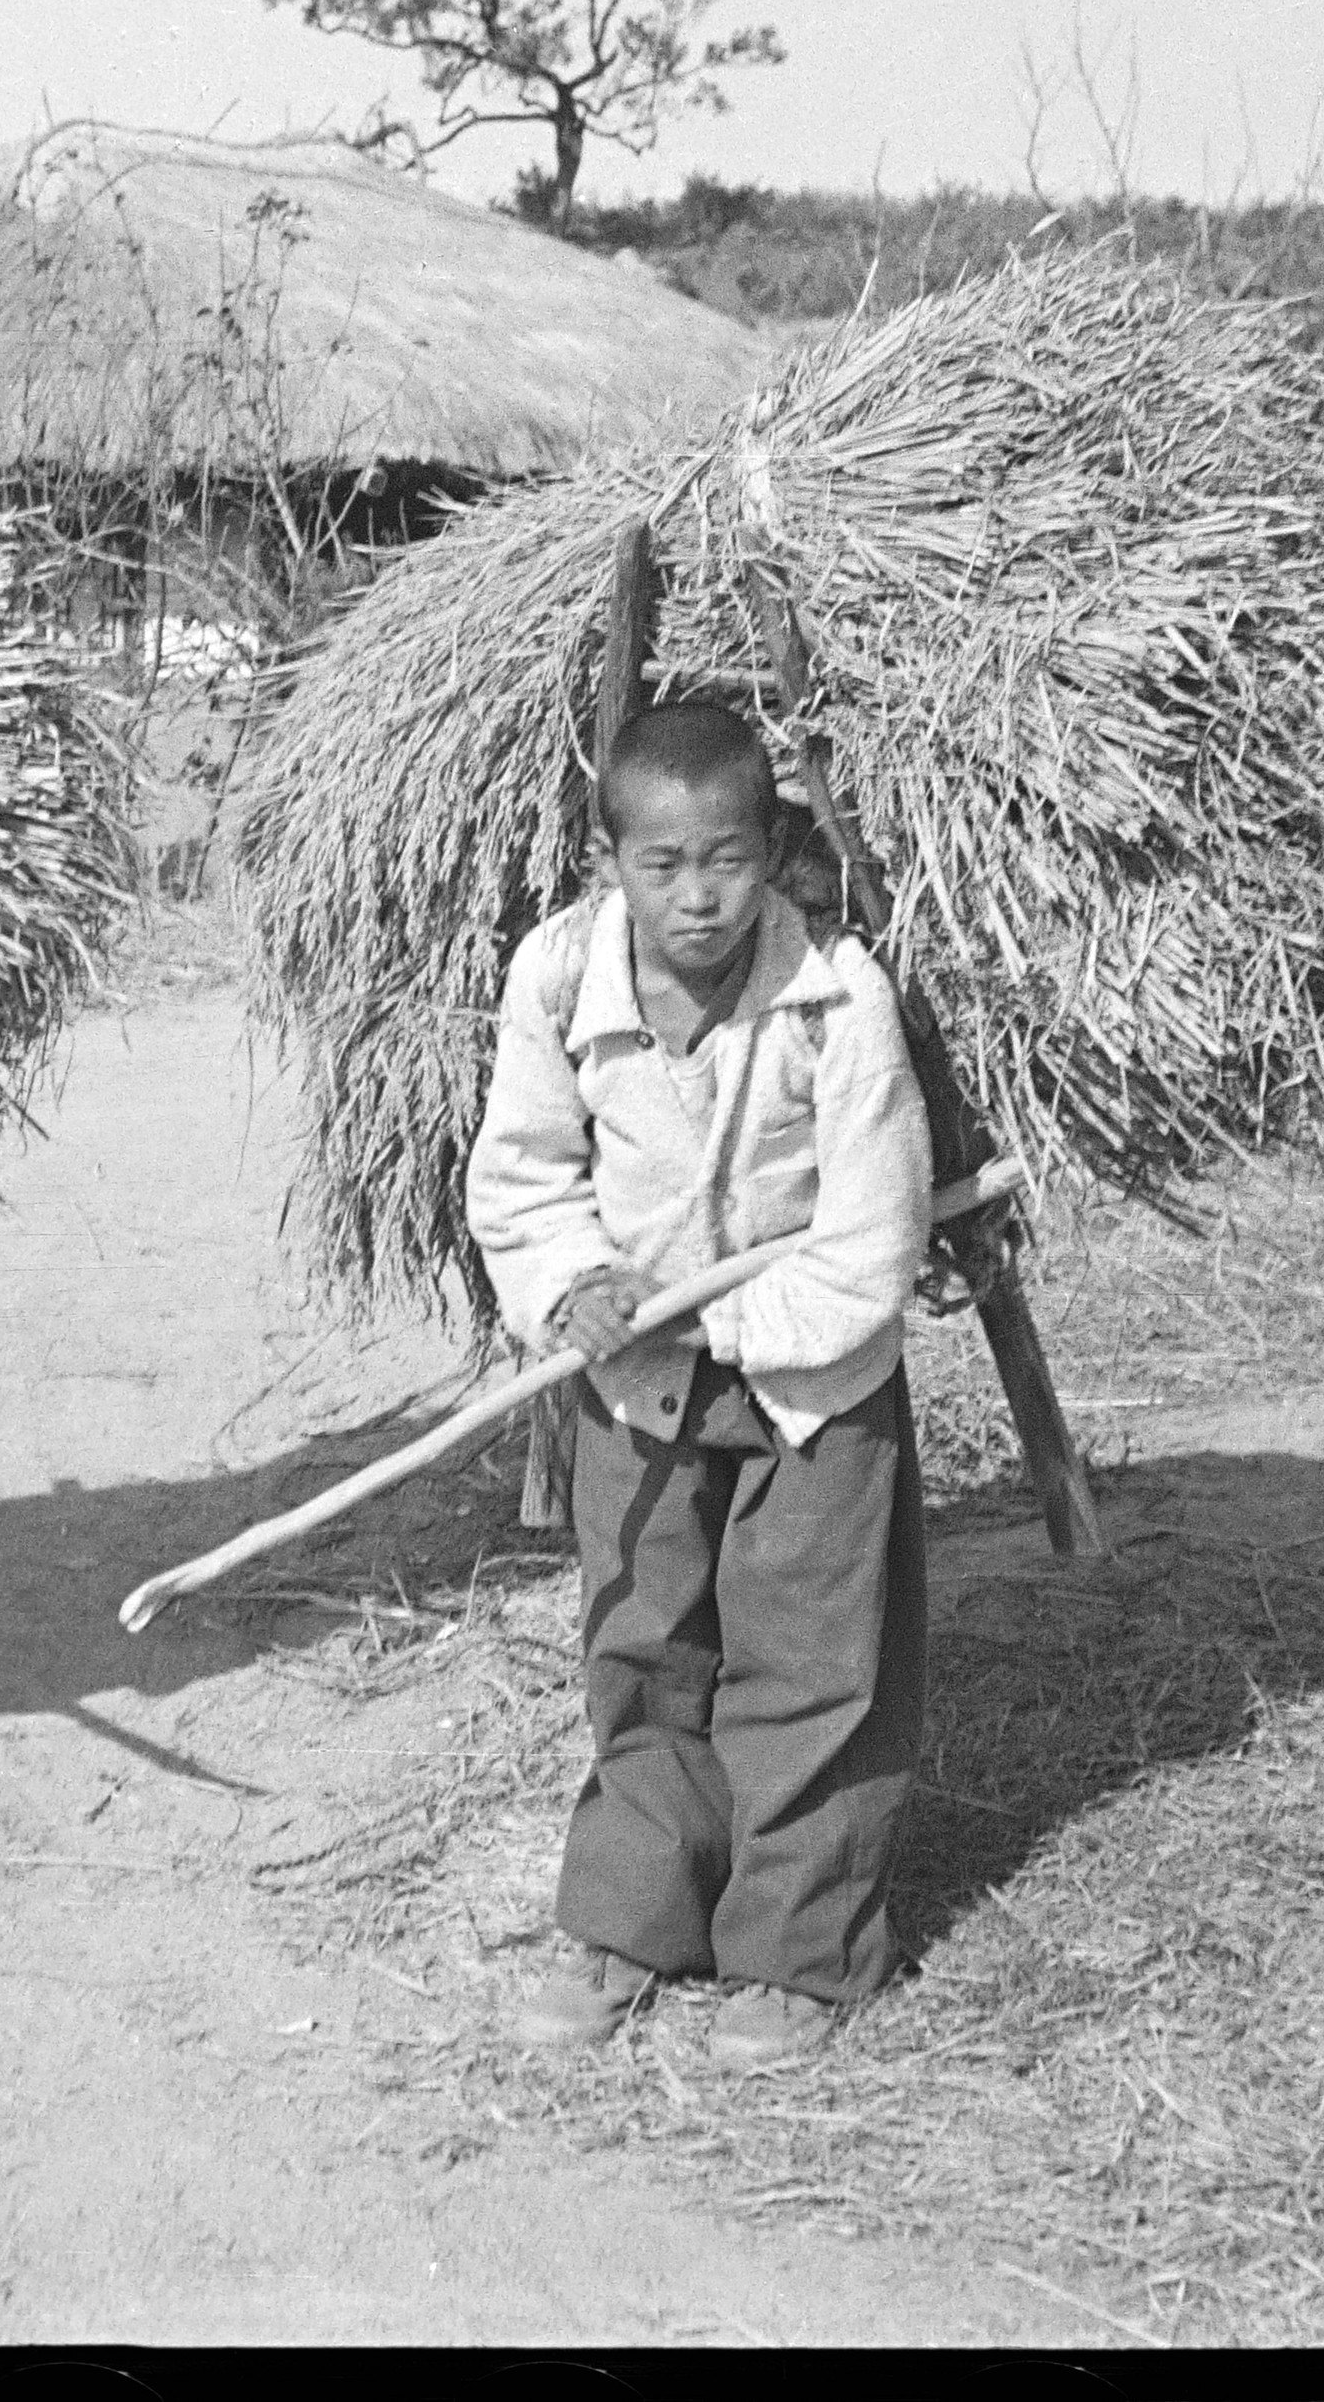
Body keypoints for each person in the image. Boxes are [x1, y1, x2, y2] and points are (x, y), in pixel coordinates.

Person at [465, 701, 935, 2070]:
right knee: (642, 1644)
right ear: (607, 857)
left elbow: (870, 1236)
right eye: (661, 865)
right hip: (634, 1387)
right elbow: (521, 1177)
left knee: (806, 1662)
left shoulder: (836, 1000)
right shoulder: (558, 983)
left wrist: (726, 1330)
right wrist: (576, 1289)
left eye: (725, 859)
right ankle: (632, 1921)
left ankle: (798, 1955)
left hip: (811, 1387)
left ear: (770, 847)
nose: (697, 896)